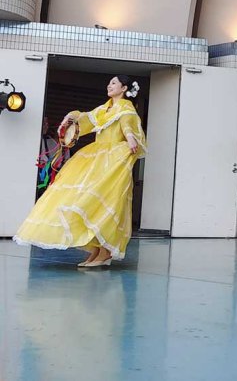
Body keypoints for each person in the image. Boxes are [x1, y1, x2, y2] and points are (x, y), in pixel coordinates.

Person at [14, 75, 146, 268]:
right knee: (86, 199)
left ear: (124, 88)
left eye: (114, 83)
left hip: (112, 157)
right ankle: (96, 247)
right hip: (96, 156)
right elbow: (87, 119)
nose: (109, 85)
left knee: (106, 199)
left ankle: (106, 250)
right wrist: (72, 117)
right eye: (109, 82)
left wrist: (131, 139)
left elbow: (127, 124)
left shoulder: (125, 106)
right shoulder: (104, 108)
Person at [35, 117, 69, 200]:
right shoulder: (42, 141)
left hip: (55, 181)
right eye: (44, 123)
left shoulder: (63, 147)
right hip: (41, 181)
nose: (46, 125)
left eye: (47, 123)